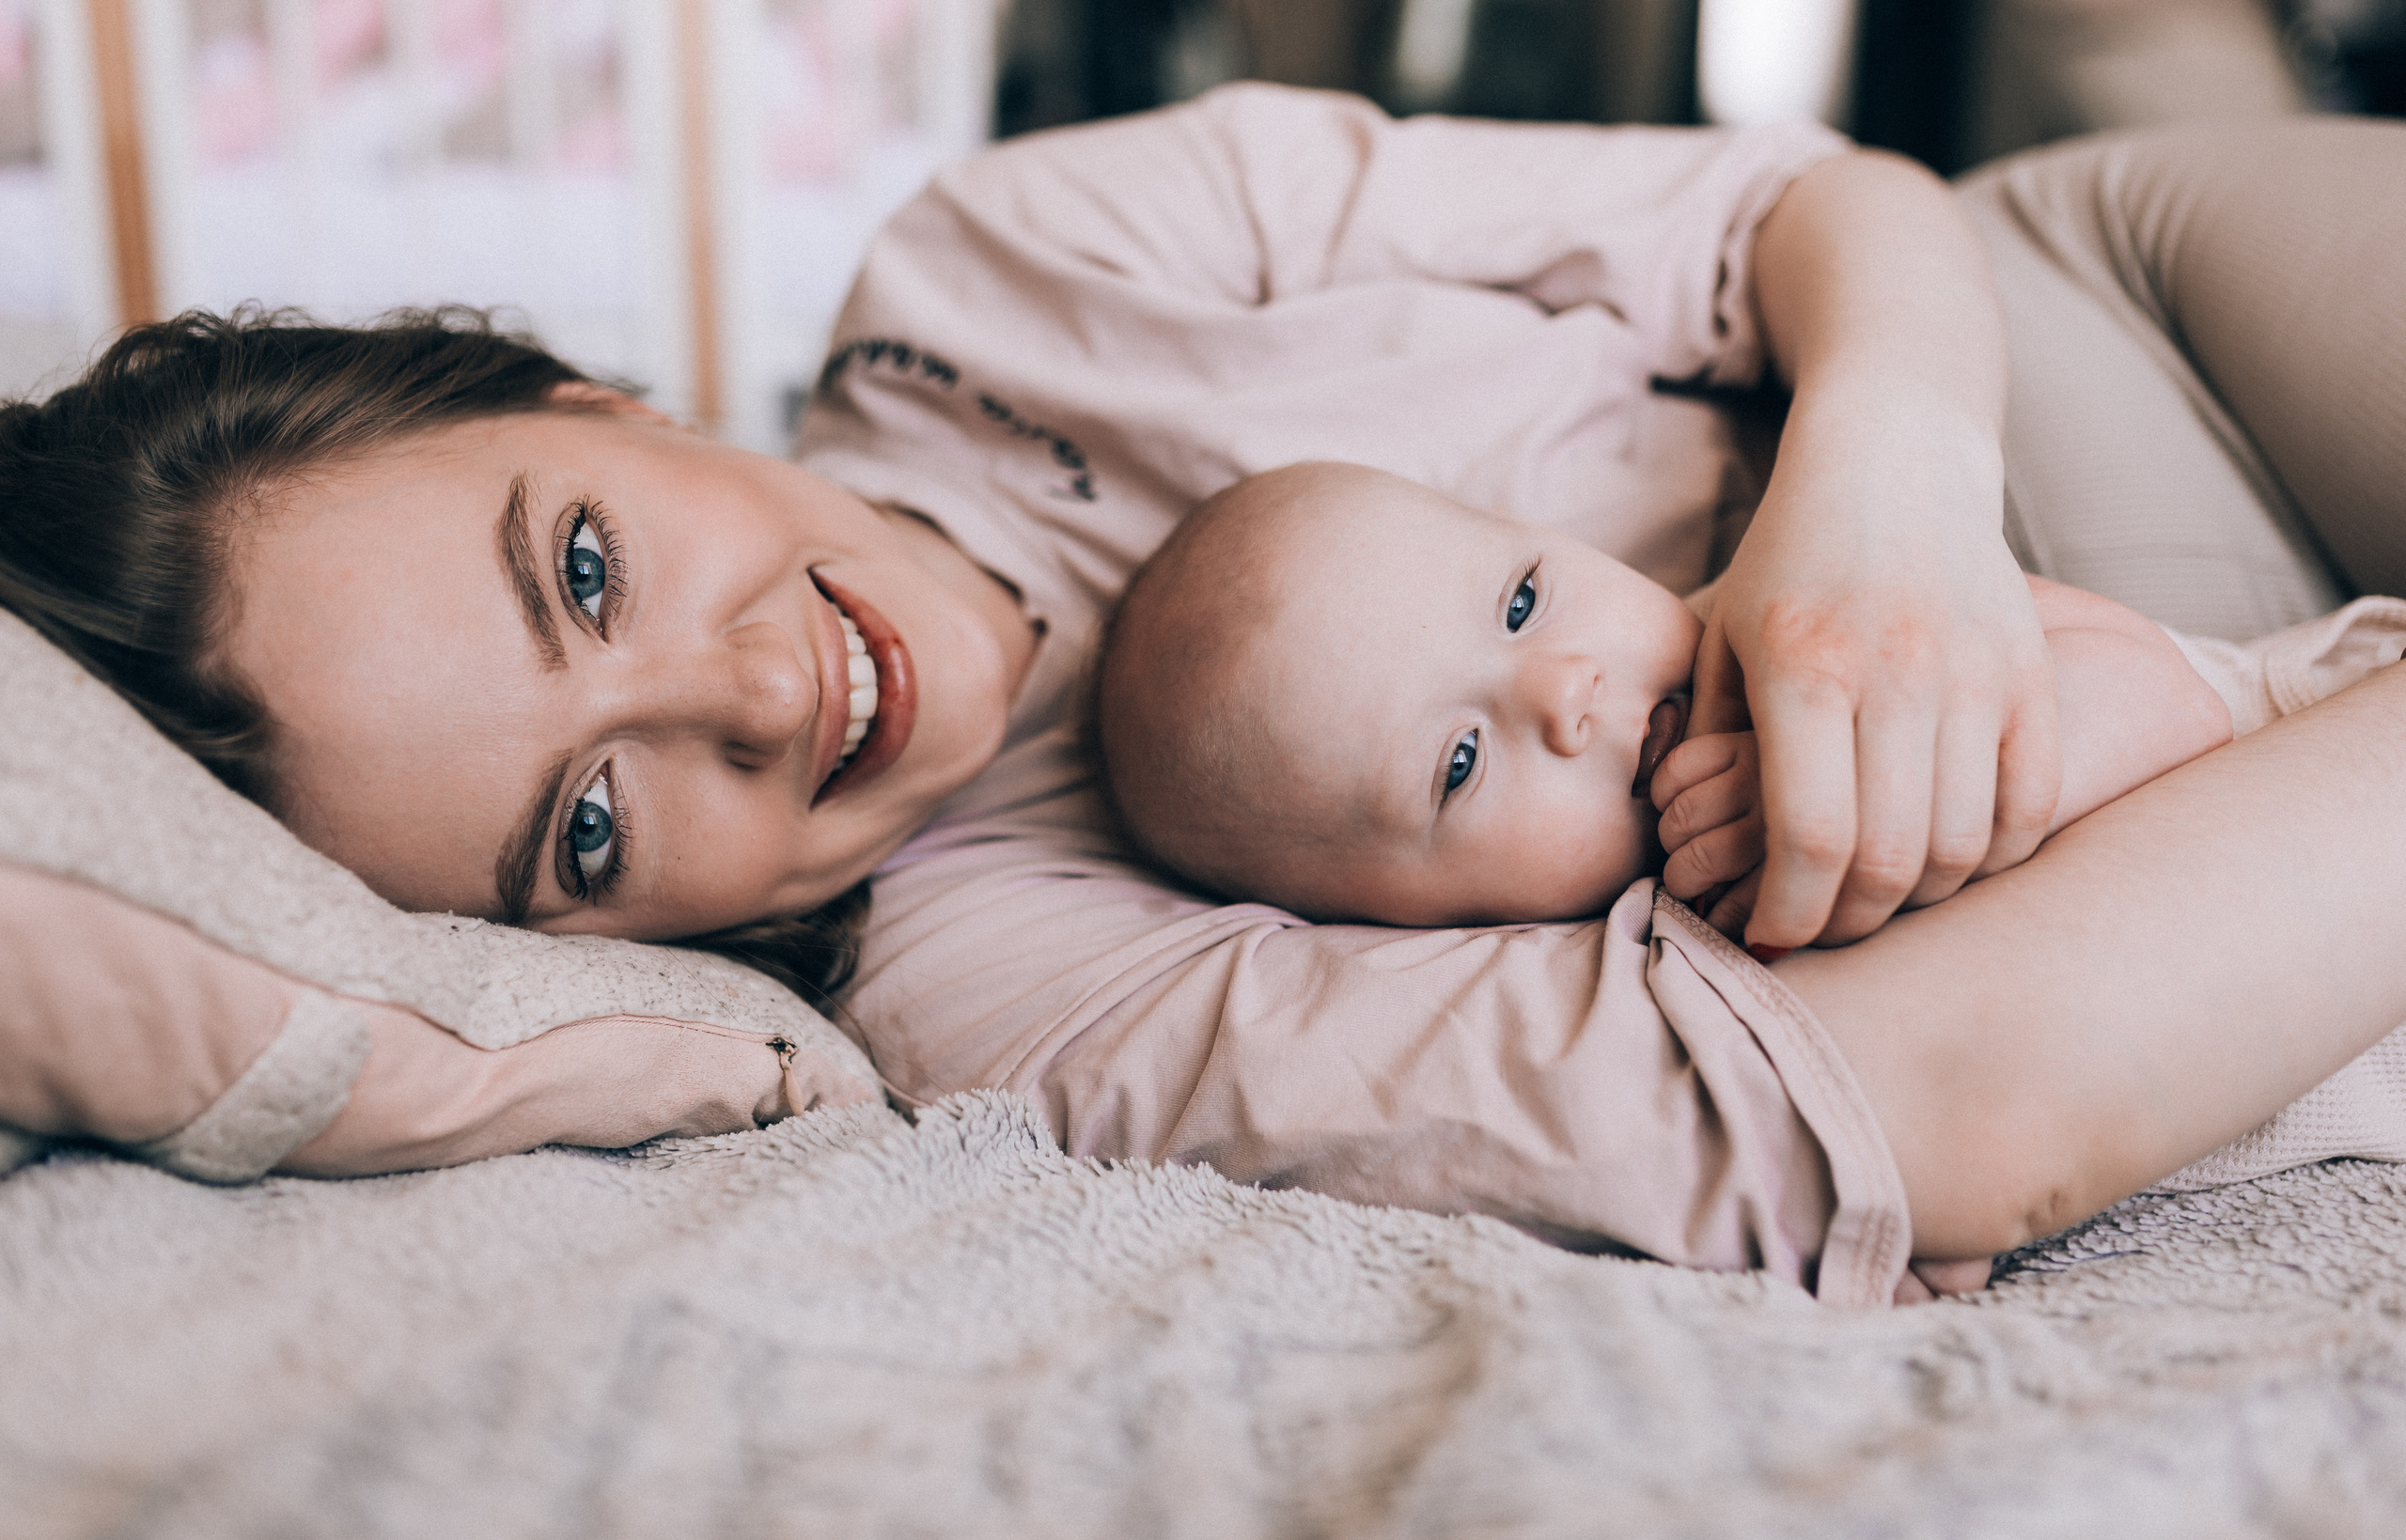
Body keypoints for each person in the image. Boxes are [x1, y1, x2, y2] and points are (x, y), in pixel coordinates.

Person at [5, 85, 2404, 1303]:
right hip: (2229, 817)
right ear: (581, 940)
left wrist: (1881, 490)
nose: (741, 691)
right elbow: (1956, 1105)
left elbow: (1812, 209)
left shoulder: (1014, 267)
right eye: (592, 828)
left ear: (587, 398)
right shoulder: (1001, 989)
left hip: (2104, 324)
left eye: (592, 564)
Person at [1089, 459, 2236, 936]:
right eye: (1459, 763)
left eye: (1525, 599)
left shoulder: (1797, 614)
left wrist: (1838, 776)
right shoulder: (1598, 986)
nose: (1562, 691)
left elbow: (2179, 698)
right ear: (1385, 925)